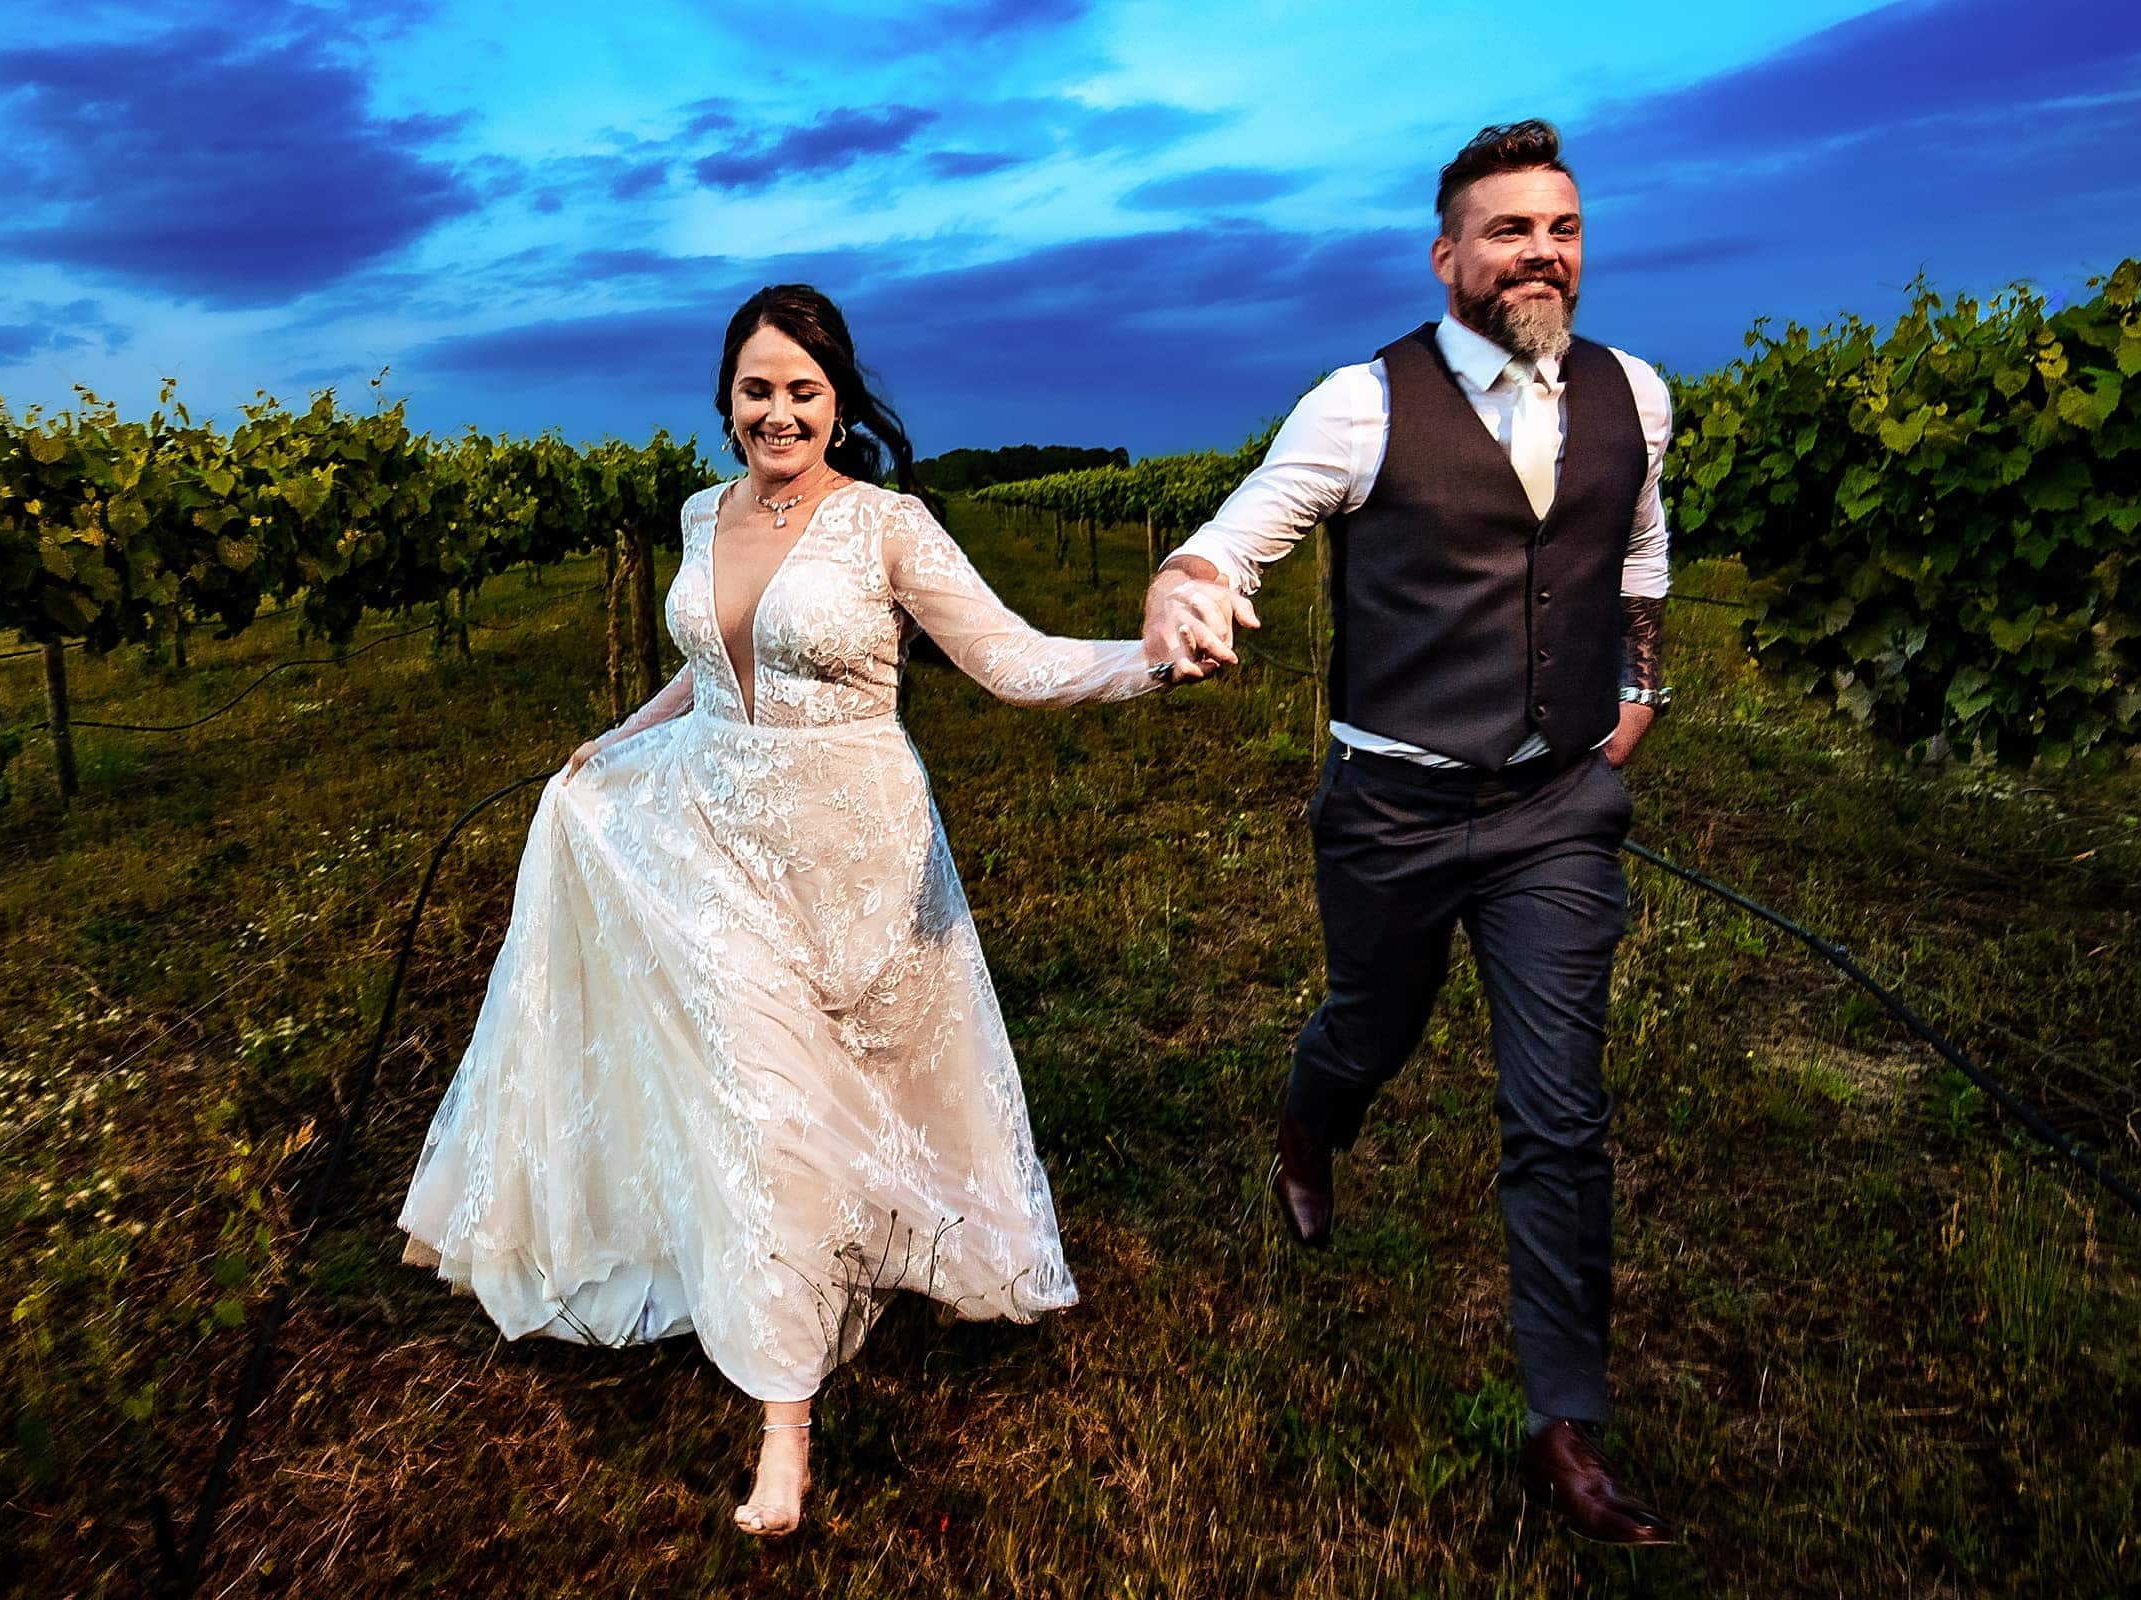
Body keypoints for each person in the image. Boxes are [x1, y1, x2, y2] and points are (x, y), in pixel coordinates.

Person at [397, 284, 1170, 1538]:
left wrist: (1148, 663)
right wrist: (615, 742)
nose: (778, 411)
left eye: (802, 389)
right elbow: (709, 664)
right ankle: (785, 1424)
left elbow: (1013, 663)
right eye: (757, 388)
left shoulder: (889, 526)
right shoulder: (704, 512)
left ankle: (853, 1265)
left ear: (840, 401)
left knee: (854, 1097)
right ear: (727, 401)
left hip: (853, 850)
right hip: (707, 836)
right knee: (760, 1106)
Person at [1143, 120, 1676, 1545]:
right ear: (1448, 255)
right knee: (1370, 1027)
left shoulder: (1638, 394)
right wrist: (1186, 586)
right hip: (1393, 807)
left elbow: (1636, 552)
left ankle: (1565, 1421)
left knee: (1559, 1112)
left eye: (1560, 227)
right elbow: (1234, 534)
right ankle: (1312, 1126)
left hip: (1558, 806)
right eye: (1508, 231)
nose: (1539, 253)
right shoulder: (1361, 404)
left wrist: (1638, 689)